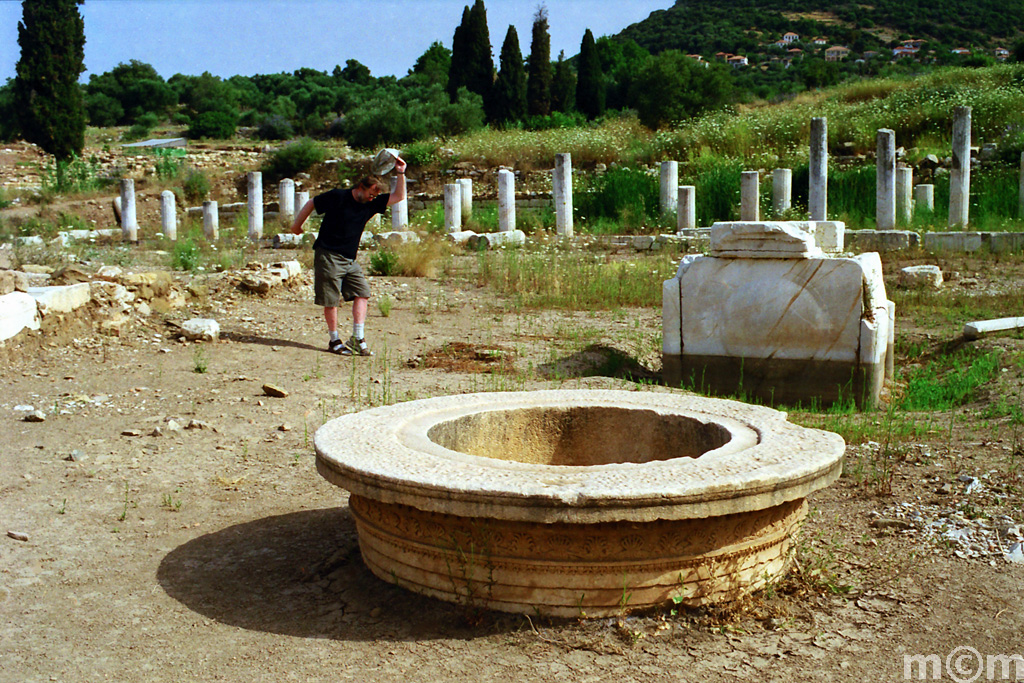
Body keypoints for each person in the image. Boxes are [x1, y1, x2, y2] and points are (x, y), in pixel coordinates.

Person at [290, 156, 406, 356]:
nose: (372, 198)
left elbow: (399, 196)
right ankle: (334, 340)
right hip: (328, 254)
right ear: (360, 187)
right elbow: (312, 203)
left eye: (374, 196)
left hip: (350, 259)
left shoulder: (370, 203)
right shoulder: (338, 196)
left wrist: (401, 172)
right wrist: (296, 226)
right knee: (331, 300)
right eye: (370, 194)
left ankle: (357, 338)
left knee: (363, 292)